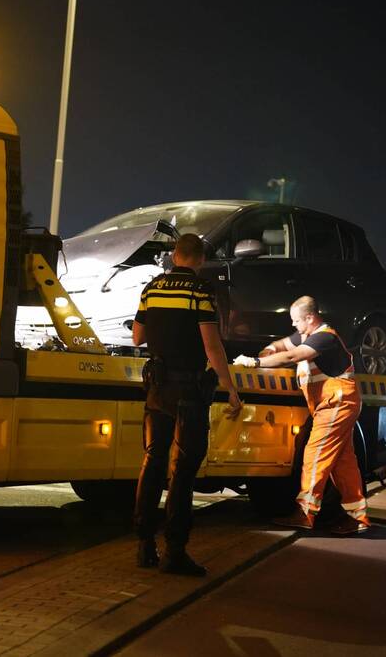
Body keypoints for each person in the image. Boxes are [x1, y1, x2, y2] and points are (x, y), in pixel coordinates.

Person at [133, 234, 242, 575]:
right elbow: (211, 346)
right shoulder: (200, 291)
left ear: (175, 256)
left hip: (157, 389)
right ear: (199, 259)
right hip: (189, 392)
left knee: (152, 462)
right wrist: (231, 388)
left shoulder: (152, 288)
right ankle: (174, 551)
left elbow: (138, 337)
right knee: (182, 471)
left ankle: (144, 545)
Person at [233, 296, 370, 534]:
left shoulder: (325, 337)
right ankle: (357, 518)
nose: (294, 325)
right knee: (342, 461)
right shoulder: (306, 335)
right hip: (333, 404)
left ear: (310, 317)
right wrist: (267, 351)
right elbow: (280, 346)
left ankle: (305, 513)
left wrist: (255, 362)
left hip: (336, 402)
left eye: (296, 320)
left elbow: (292, 356)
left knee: (315, 454)